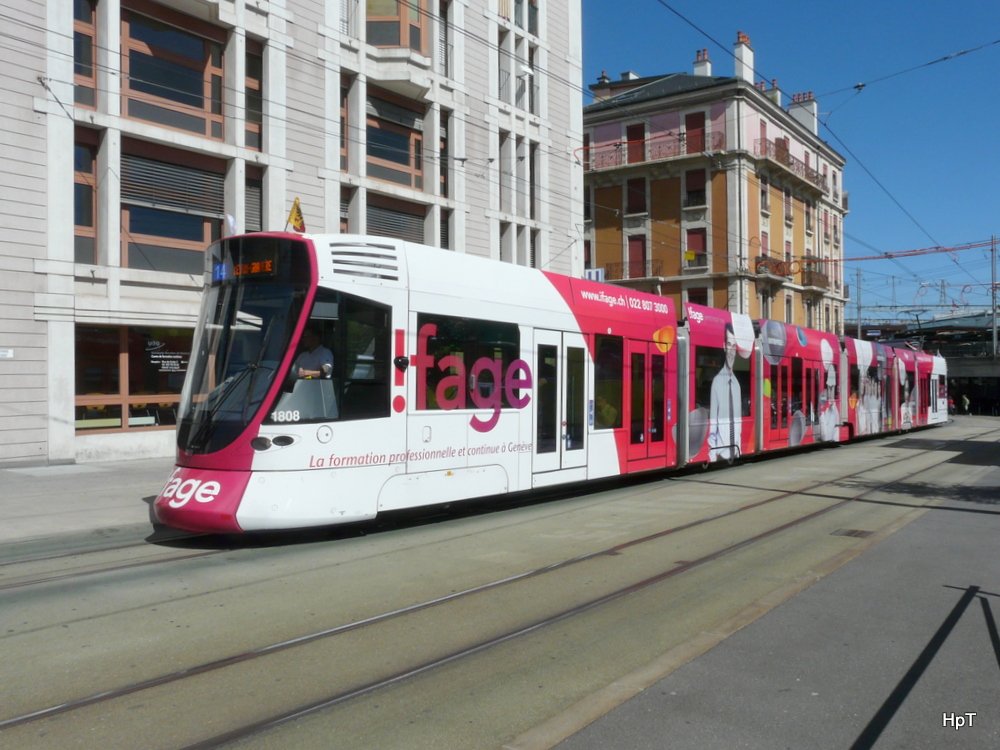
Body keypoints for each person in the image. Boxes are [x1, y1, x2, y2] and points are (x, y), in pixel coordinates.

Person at [708, 323, 742, 462]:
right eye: (729, 344)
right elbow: (713, 424)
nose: (731, 351)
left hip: (736, 452)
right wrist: (712, 457)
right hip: (721, 453)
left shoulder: (737, 385)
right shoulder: (716, 383)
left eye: (734, 346)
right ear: (724, 346)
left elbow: (738, 423)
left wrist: (740, 449)